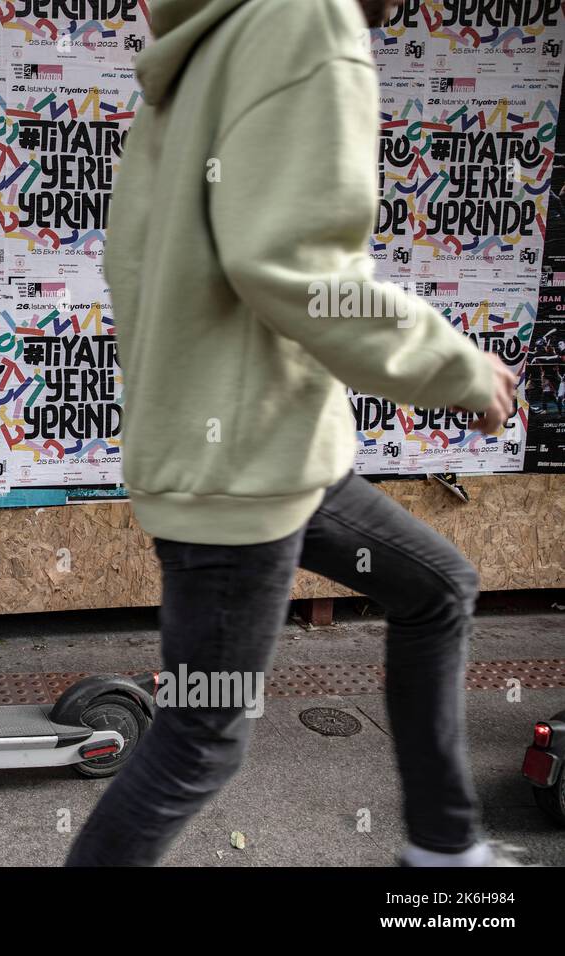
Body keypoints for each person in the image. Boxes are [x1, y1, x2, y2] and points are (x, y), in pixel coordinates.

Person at [66, 0, 520, 867]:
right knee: (202, 735)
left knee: (437, 587)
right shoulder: (306, 21)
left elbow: (141, 259)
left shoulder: (209, 46)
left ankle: (445, 852)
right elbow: (297, 268)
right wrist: (452, 365)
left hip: (272, 453)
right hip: (244, 472)